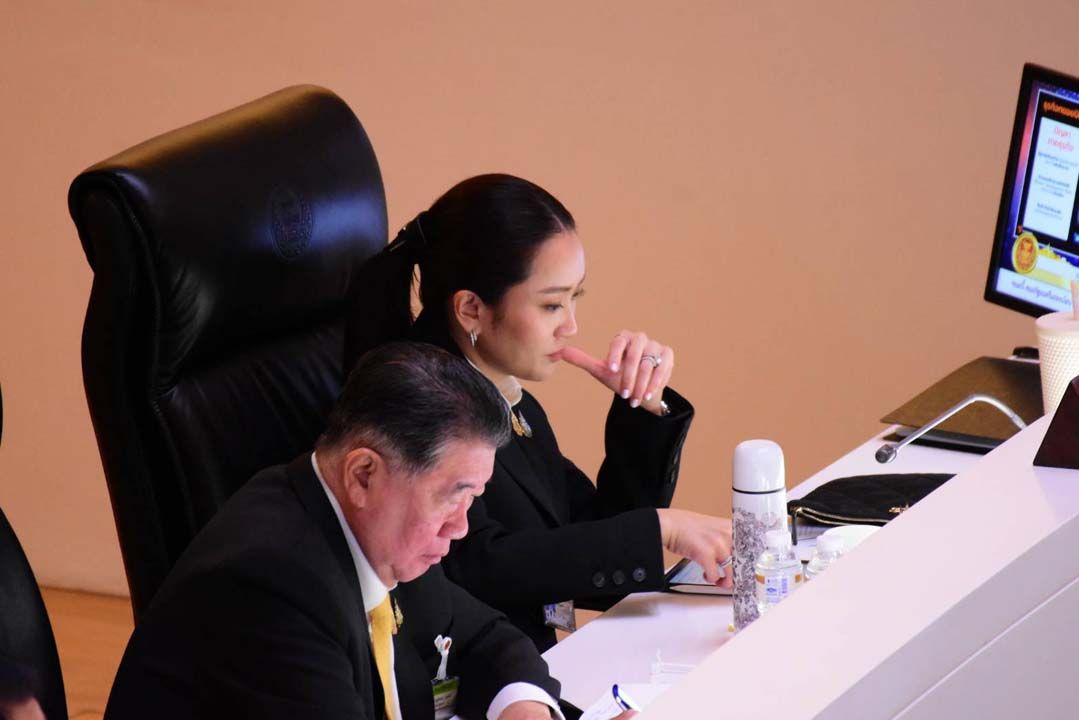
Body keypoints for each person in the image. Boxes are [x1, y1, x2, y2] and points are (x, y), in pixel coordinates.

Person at [344, 174, 733, 653]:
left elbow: (589, 546)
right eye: (551, 305)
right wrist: (660, 527)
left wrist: (643, 407)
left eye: (574, 298)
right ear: (471, 309)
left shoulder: (508, 399)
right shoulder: (414, 405)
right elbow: (475, 567)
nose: (571, 326)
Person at [104, 343, 580, 720]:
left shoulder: (374, 529)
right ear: (363, 475)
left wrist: (524, 707)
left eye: (471, 498)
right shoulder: (271, 589)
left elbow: (484, 636)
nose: (461, 526)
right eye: (451, 496)